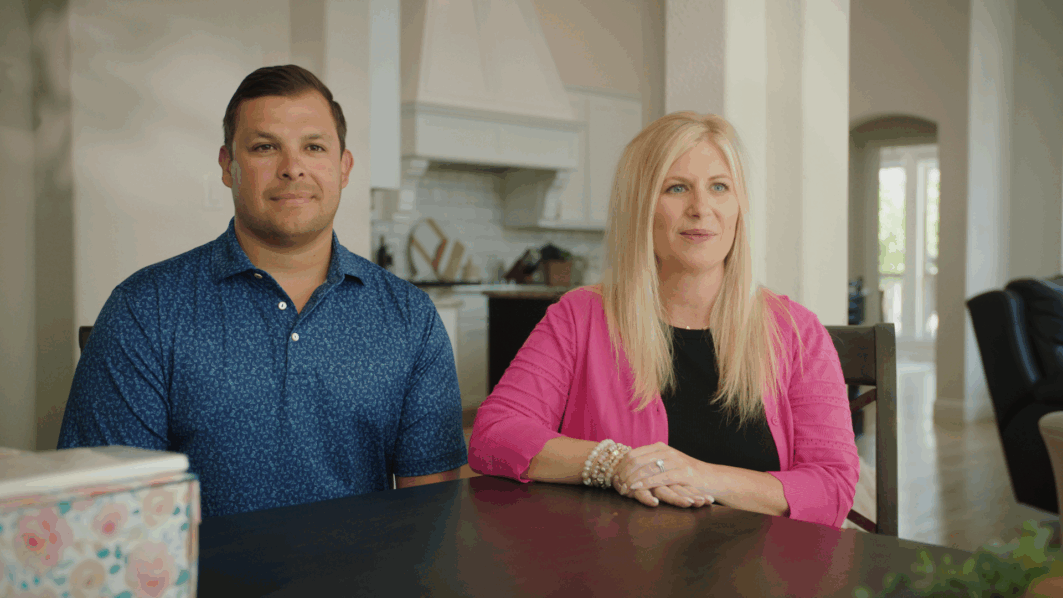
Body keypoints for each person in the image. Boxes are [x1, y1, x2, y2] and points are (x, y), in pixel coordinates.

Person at [58, 65, 467, 518]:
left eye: (314, 147)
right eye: (265, 147)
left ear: (344, 167)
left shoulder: (411, 317)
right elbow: (109, 513)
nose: (292, 168)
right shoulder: (144, 309)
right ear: (227, 166)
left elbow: (429, 514)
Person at [468, 112, 858, 527]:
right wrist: (613, 463)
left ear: (739, 205)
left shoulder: (797, 332)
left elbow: (832, 486)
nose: (701, 208)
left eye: (719, 187)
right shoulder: (579, 316)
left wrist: (702, 476)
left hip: (765, 564)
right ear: (640, 207)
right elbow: (494, 434)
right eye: (676, 188)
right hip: (618, 560)